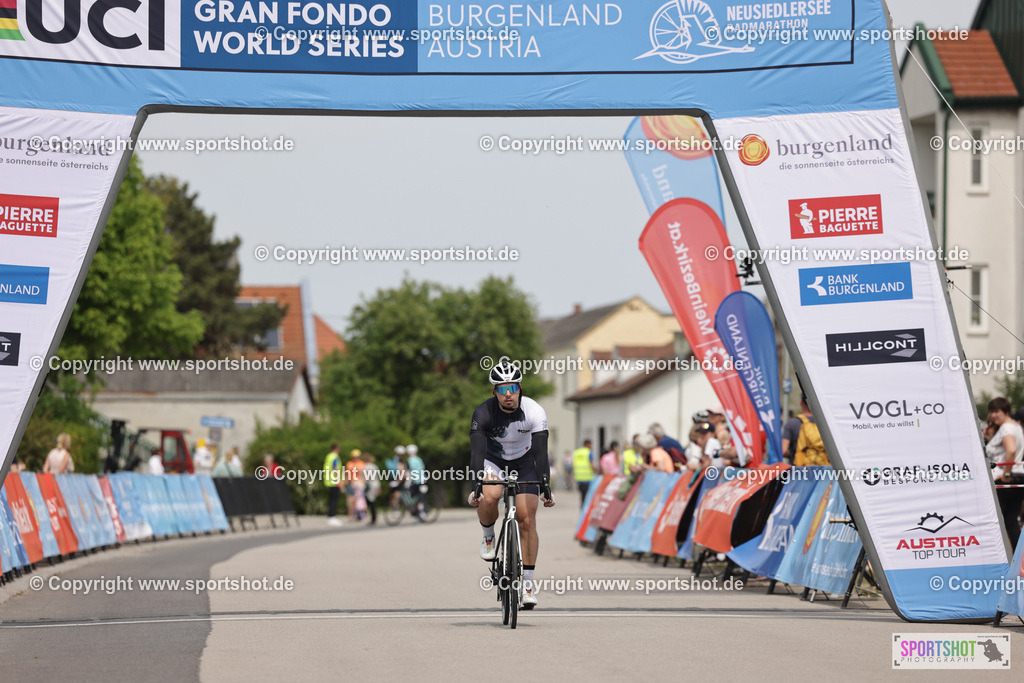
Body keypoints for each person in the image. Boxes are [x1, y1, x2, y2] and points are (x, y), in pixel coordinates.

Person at [468, 360, 554, 609]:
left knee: (527, 519)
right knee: (491, 495)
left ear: (519, 388)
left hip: (525, 461)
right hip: (493, 461)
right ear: (495, 392)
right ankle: (488, 537)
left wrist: (546, 485)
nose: (509, 395)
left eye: (513, 388)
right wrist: (477, 485)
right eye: (503, 389)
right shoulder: (483, 413)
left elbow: (541, 453)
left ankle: (527, 583)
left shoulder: (534, 411)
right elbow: (476, 454)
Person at [985, 397, 1024, 549]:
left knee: (995, 520)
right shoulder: (1015, 427)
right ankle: (1019, 558)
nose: (993, 415)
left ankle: (997, 557)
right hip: (1019, 477)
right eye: (991, 412)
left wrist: (1006, 473)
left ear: (1005, 411)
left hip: (1005, 479)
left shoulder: (1006, 428)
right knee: (1011, 520)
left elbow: (1011, 450)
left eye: (996, 411)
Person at [782, 395, 813, 465]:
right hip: (821, 471)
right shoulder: (823, 424)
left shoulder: (793, 423)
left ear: (801, 402)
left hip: (799, 470)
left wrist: (793, 454)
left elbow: (784, 450)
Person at [323, 444, 344, 527]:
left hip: (329, 480)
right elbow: (336, 468)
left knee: (331, 499)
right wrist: (339, 481)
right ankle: (332, 517)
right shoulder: (335, 457)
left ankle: (330, 516)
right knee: (334, 500)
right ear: (337, 449)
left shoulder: (328, 456)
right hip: (334, 481)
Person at [572, 439, 596, 508]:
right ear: (587, 444)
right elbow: (592, 465)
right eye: (590, 445)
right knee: (587, 496)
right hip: (587, 478)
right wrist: (596, 471)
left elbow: (573, 465)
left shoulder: (576, 452)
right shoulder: (588, 452)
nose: (591, 446)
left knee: (582, 495)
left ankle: (582, 508)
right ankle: (585, 510)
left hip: (579, 478)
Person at [344, 449, 366, 521]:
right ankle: (351, 516)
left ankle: (360, 515)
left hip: (359, 482)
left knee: (359, 500)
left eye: (356, 456)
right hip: (351, 482)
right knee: (350, 500)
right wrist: (345, 482)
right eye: (354, 456)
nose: (355, 458)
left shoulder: (362, 464)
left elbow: (364, 474)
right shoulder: (349, 464)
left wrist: (364, 482)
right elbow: (346, 474)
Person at [362, 454, 382, 525]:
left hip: (370, 485)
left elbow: (365, 477)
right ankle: (374, 517)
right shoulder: (375, 466)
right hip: (376, 484)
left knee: (370, 502)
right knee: (373, 501)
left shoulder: (366, 467)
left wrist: (363, 485)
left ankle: (373, 518)